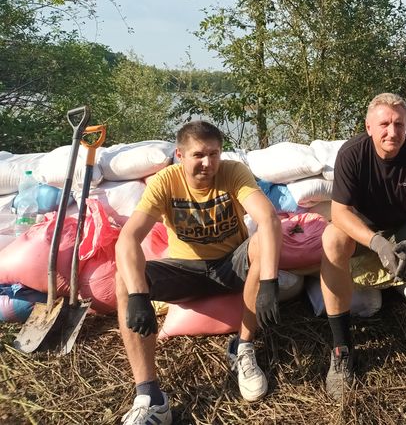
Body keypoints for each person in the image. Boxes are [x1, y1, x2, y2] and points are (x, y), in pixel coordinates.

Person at [115, 121, 282, 425]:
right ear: (180, 155)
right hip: (185, 270)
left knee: (262, 241)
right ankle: (150, 396)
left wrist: (270, 281)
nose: (208, 163)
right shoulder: (165, 182)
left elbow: (268, 218)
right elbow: (128, 238)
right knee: (124, 278)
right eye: (198, 155)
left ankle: (242, 347)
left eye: (214, 154)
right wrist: (139, 295)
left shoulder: (233, 172)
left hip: (231, 263)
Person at [319, 92, 406, 400]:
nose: (392, 132)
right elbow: (339, 212)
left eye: (399, 124)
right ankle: (341, 350)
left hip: (403, 225)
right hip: (364, 228)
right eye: (384, 124)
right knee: (331, 238)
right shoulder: (352, 153)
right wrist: (375, 241)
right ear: (369, 126)